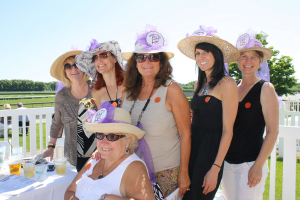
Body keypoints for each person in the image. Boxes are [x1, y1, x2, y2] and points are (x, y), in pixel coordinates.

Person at [121, 24, 191, 197]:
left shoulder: (171, 89)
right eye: (141, 57)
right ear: (134, 62)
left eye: (153, 57)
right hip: (135, 170)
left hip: (166, 172)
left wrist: (183, 173)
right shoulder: (127, 93)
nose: (147, 62)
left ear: (161, 61)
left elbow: (186, 134)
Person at [177, 25, 239, 200]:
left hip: (210, 153)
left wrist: (215, 167)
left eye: (205, 52)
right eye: (197, 53)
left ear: (216, 55)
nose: (200, 57)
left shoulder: (227, 84)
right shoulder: (199, 85)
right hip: (191, 146)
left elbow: (228, 130)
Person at [221, 32, 279, 200]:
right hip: (227, 163)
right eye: (243, 56)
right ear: (237, 60)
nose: (248, 61)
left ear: (260, 61)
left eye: (253, 57)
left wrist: (258, 166)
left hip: (250, 163)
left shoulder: (265, 88)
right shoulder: (230, 88)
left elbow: (272, 131)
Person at [65, 102, 155, 200]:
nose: (104, 142)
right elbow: (70, 191)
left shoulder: (134, 167)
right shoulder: (95, 159)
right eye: (100, 135)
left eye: (112, 136)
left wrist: (108, 198)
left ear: (128, 140)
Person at [43, 50, 96, 172]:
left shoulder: (96, 88)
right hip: (74, 156)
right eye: (68, 66)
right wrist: (51, 147)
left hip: (98, 154)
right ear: (65, 72)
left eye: (77, 64)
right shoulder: (62, 96)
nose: (73, 69)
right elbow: (57, 122)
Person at [76, 39, 124, 108]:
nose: (98, 60)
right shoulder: (96, 92)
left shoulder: (129, 85)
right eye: (95, 57)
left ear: (115, 58)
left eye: (103, 55)